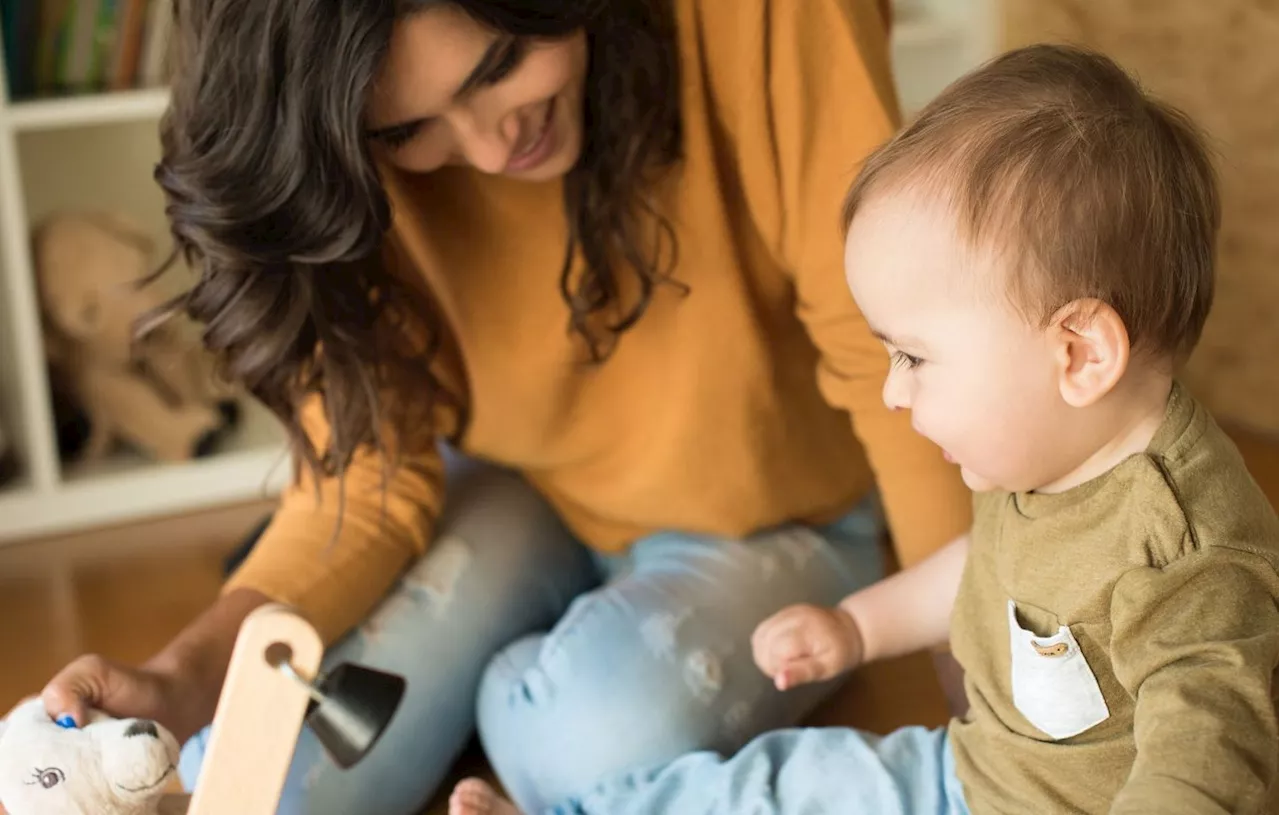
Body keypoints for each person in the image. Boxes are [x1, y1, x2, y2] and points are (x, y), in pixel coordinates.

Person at [31, 1, 973, 813]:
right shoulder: (337, 129)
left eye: (498, 66)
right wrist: (182, 676)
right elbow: (361, 482)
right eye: (408, 132)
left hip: (784, 509)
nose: (489, 147)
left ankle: (511, 691)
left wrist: (971, 667)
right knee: (258, 780)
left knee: (577, 742)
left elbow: (879, 349)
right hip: (521, 492)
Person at [451, 43, 1280, 815]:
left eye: (915, 357)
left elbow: (1207, 750)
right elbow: (981, 569)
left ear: (1079, 352)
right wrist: (857, 627)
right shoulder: (1054, 450)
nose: (891, 391)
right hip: (969, 777)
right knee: (784, 786)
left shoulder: (1187, 557)